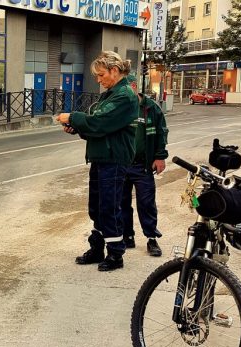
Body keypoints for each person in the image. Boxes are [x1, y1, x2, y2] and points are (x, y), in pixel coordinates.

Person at [56, 51, 137, 271]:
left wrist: (73, 117)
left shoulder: (124, 96)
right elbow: (96, 127)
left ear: (115, 70)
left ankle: (115, 254)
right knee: (97, 207)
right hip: (101, 157)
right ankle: (98, 247)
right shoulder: (109, 95)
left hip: (114, 159)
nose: (99, 80)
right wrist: (78, 128)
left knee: (109, 207)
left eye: (101, 75)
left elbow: (100, 123)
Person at [121, 75, 168, 257]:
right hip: (122, 164)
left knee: (146, 203)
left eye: (124, 89)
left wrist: (160, 157)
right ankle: (127, 236)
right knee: (121, 203)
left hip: (143, 166)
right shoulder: (121, 107)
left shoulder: (151, 108)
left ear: (133, 86)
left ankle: (151, 238)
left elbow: (161, 133)